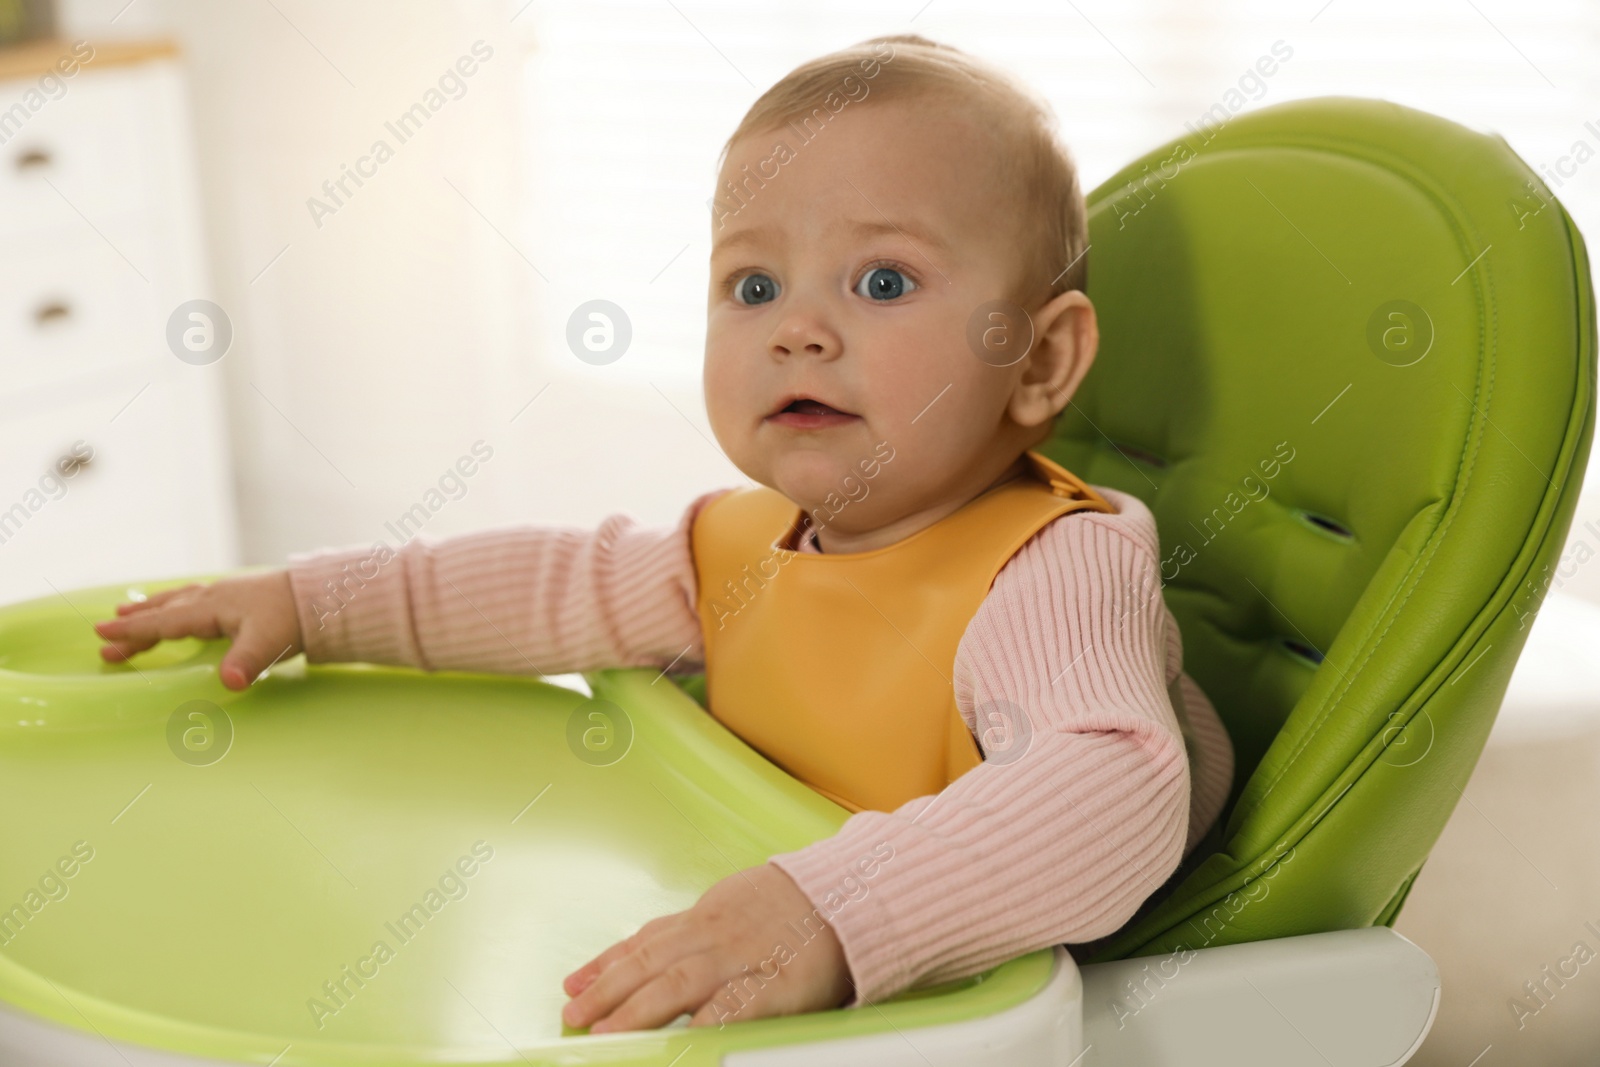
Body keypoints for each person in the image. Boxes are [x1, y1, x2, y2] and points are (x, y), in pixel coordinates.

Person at [94, 33, 1232, 1034]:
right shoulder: (749, 545)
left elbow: (1111, 792)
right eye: (751, 284)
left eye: (882, 279)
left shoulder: (1050, 568)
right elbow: (554, 585)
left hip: (976, 998)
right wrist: (316, 603)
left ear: (1036, 360)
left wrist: (830, 910)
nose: (798, 329)